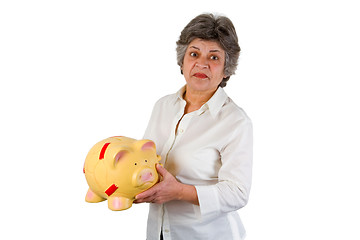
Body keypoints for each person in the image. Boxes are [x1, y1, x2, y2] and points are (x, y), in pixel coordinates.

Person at [134, 13, 253, 240]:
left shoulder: (236, 122)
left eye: (214, 57)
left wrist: (179, 191)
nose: (202, 63)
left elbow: (237, 193)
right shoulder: (163, 106)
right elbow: (145, 159)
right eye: (194, 54)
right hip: (159, 232)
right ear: (183, 61)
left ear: (226, 69)